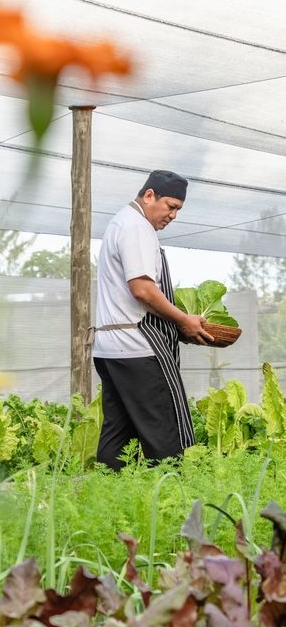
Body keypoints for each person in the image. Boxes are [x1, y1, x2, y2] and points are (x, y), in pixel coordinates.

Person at [92, 170, 213, 470]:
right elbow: (143, 289)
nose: (173, 215)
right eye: (170, 206)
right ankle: (171, 504)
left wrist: (178, 324)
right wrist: (183, 320)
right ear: (149, 196)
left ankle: (108, 499)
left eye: (178, 210)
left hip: (110, 350)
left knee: (118, 438)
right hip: (138, 349)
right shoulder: (137, 227)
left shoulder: (120, 222)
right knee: (165, 437)